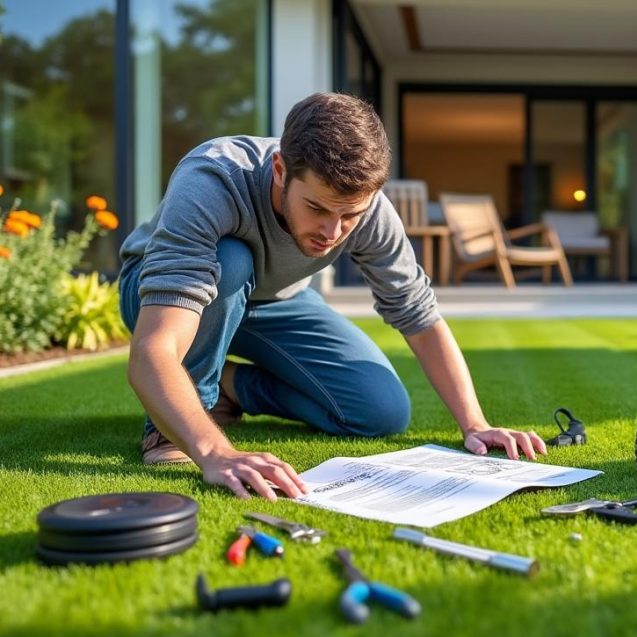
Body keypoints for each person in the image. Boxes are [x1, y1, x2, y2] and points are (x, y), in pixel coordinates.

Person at [119, 92, 546, 501]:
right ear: (281, 170)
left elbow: (418, 314)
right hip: (163, 292)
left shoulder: (371, 209)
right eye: (318, 209)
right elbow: (153, 350)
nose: (333, 233)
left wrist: (474, 424)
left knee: (381, 410)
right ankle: (178, 416)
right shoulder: (212, 180)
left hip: (277, 300)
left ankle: (234, 386)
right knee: (232, 261)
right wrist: (216, 453)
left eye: (349, 216)